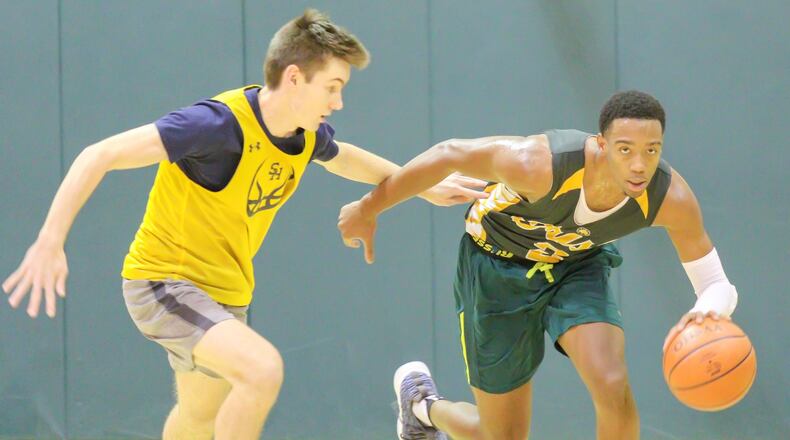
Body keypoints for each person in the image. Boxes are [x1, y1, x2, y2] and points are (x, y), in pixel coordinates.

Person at [2, 9, 487, 440]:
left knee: (196, 418)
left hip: (226, 294)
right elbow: (99, 154)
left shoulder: (304, 134)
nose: (338, 102)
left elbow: (343, 159)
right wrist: (50, 239)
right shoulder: (215, 125)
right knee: (262, 370)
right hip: (165, 281)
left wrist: (420, 187)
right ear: (294, 78)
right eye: (333, 88)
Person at [338, 90, 740, 440]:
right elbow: (449, 155)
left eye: (651, 150)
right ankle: (423, 407)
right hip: (496, 267)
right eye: (625, 149)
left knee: (612, 382)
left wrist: (707, 311)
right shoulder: (539, 163)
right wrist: (368, 207)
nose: (639, 165)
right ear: (601, 144)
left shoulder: (670, 198)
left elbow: (718, 284)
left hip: (575, 266)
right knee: (500, 436)